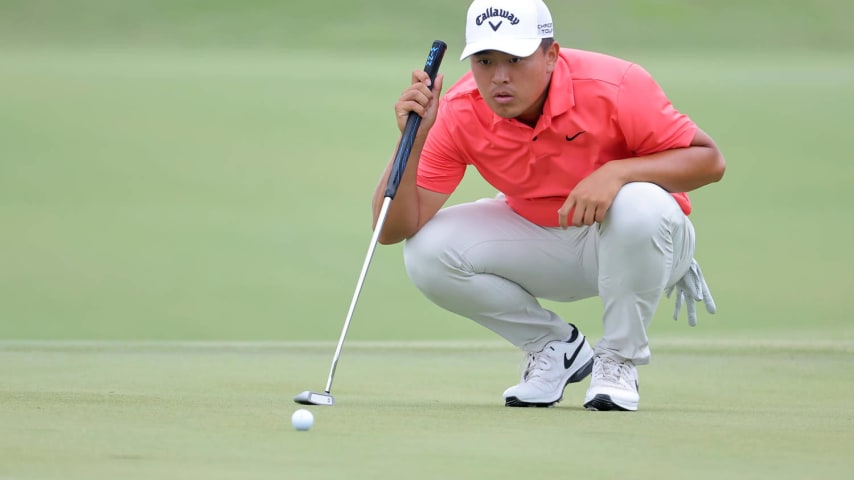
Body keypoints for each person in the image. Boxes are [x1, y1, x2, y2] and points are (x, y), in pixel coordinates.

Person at [371, 0, 724, 411]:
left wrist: (616, 174)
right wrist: (412, 136)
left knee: (638, 203)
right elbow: (391, 230)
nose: (500, 77)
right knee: (427, 251)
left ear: (551, 55)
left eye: (516, 59)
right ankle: (555, 348)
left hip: (645, 242)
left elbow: (708, 160)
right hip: (547, 243)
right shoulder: (459, 109)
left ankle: (618, 361)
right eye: (485, 61)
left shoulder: (615, 84)